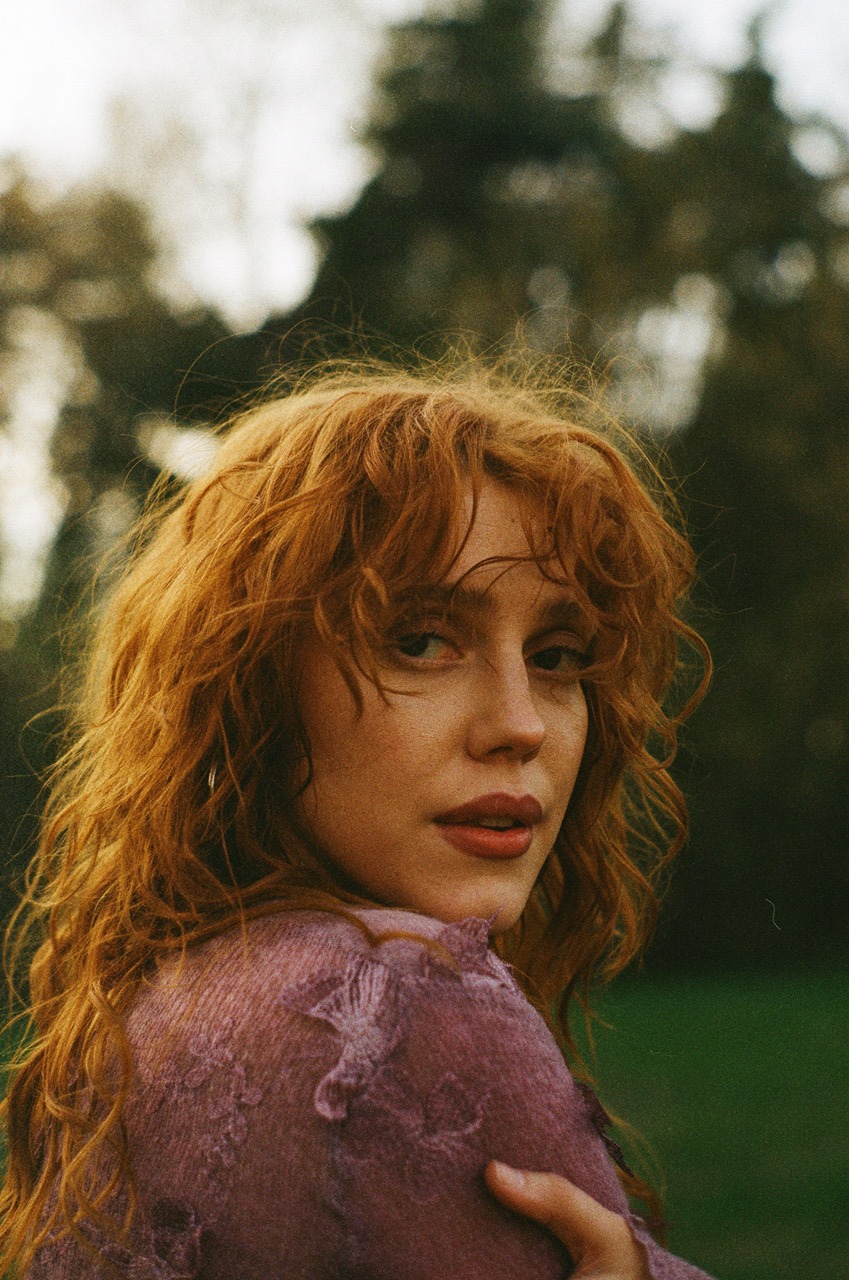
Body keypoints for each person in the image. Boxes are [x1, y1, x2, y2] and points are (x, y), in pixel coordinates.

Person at [0, 361, 714, 1278]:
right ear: (252, 683)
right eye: (420, 640)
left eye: (557, 655)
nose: (521, 724)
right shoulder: (403, 1005)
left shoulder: (161, 993)